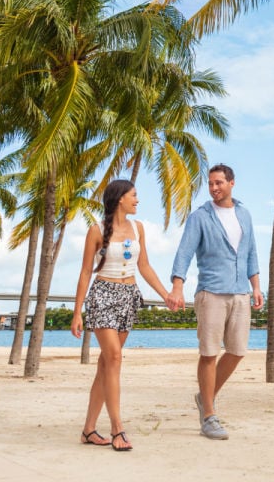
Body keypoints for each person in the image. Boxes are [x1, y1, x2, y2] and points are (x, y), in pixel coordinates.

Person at [71, 179, 172, 451]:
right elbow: (84, 273)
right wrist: (77, 312)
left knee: (106, 365)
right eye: (134, 196)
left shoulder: (139, 229)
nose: (137, 200)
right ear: (119, 199)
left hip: (129, 297)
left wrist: (166, 295)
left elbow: (145, 266)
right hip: (103, 295)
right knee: (114, 357)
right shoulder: (96, 230)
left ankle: (88, 430)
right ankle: (117, 428)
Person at [168, 163, 264, 440]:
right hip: (211, 292)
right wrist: (177, 287)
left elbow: (252, 253)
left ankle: (204, 397)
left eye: (219, 183)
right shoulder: (200, 217)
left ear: (232, 183)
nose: (213, 188)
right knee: (209, 353)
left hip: (240, 292)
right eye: (210, 183)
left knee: (237, 351)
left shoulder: (244, 214)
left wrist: (256, 287)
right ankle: (209, 415)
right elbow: (183, 253)